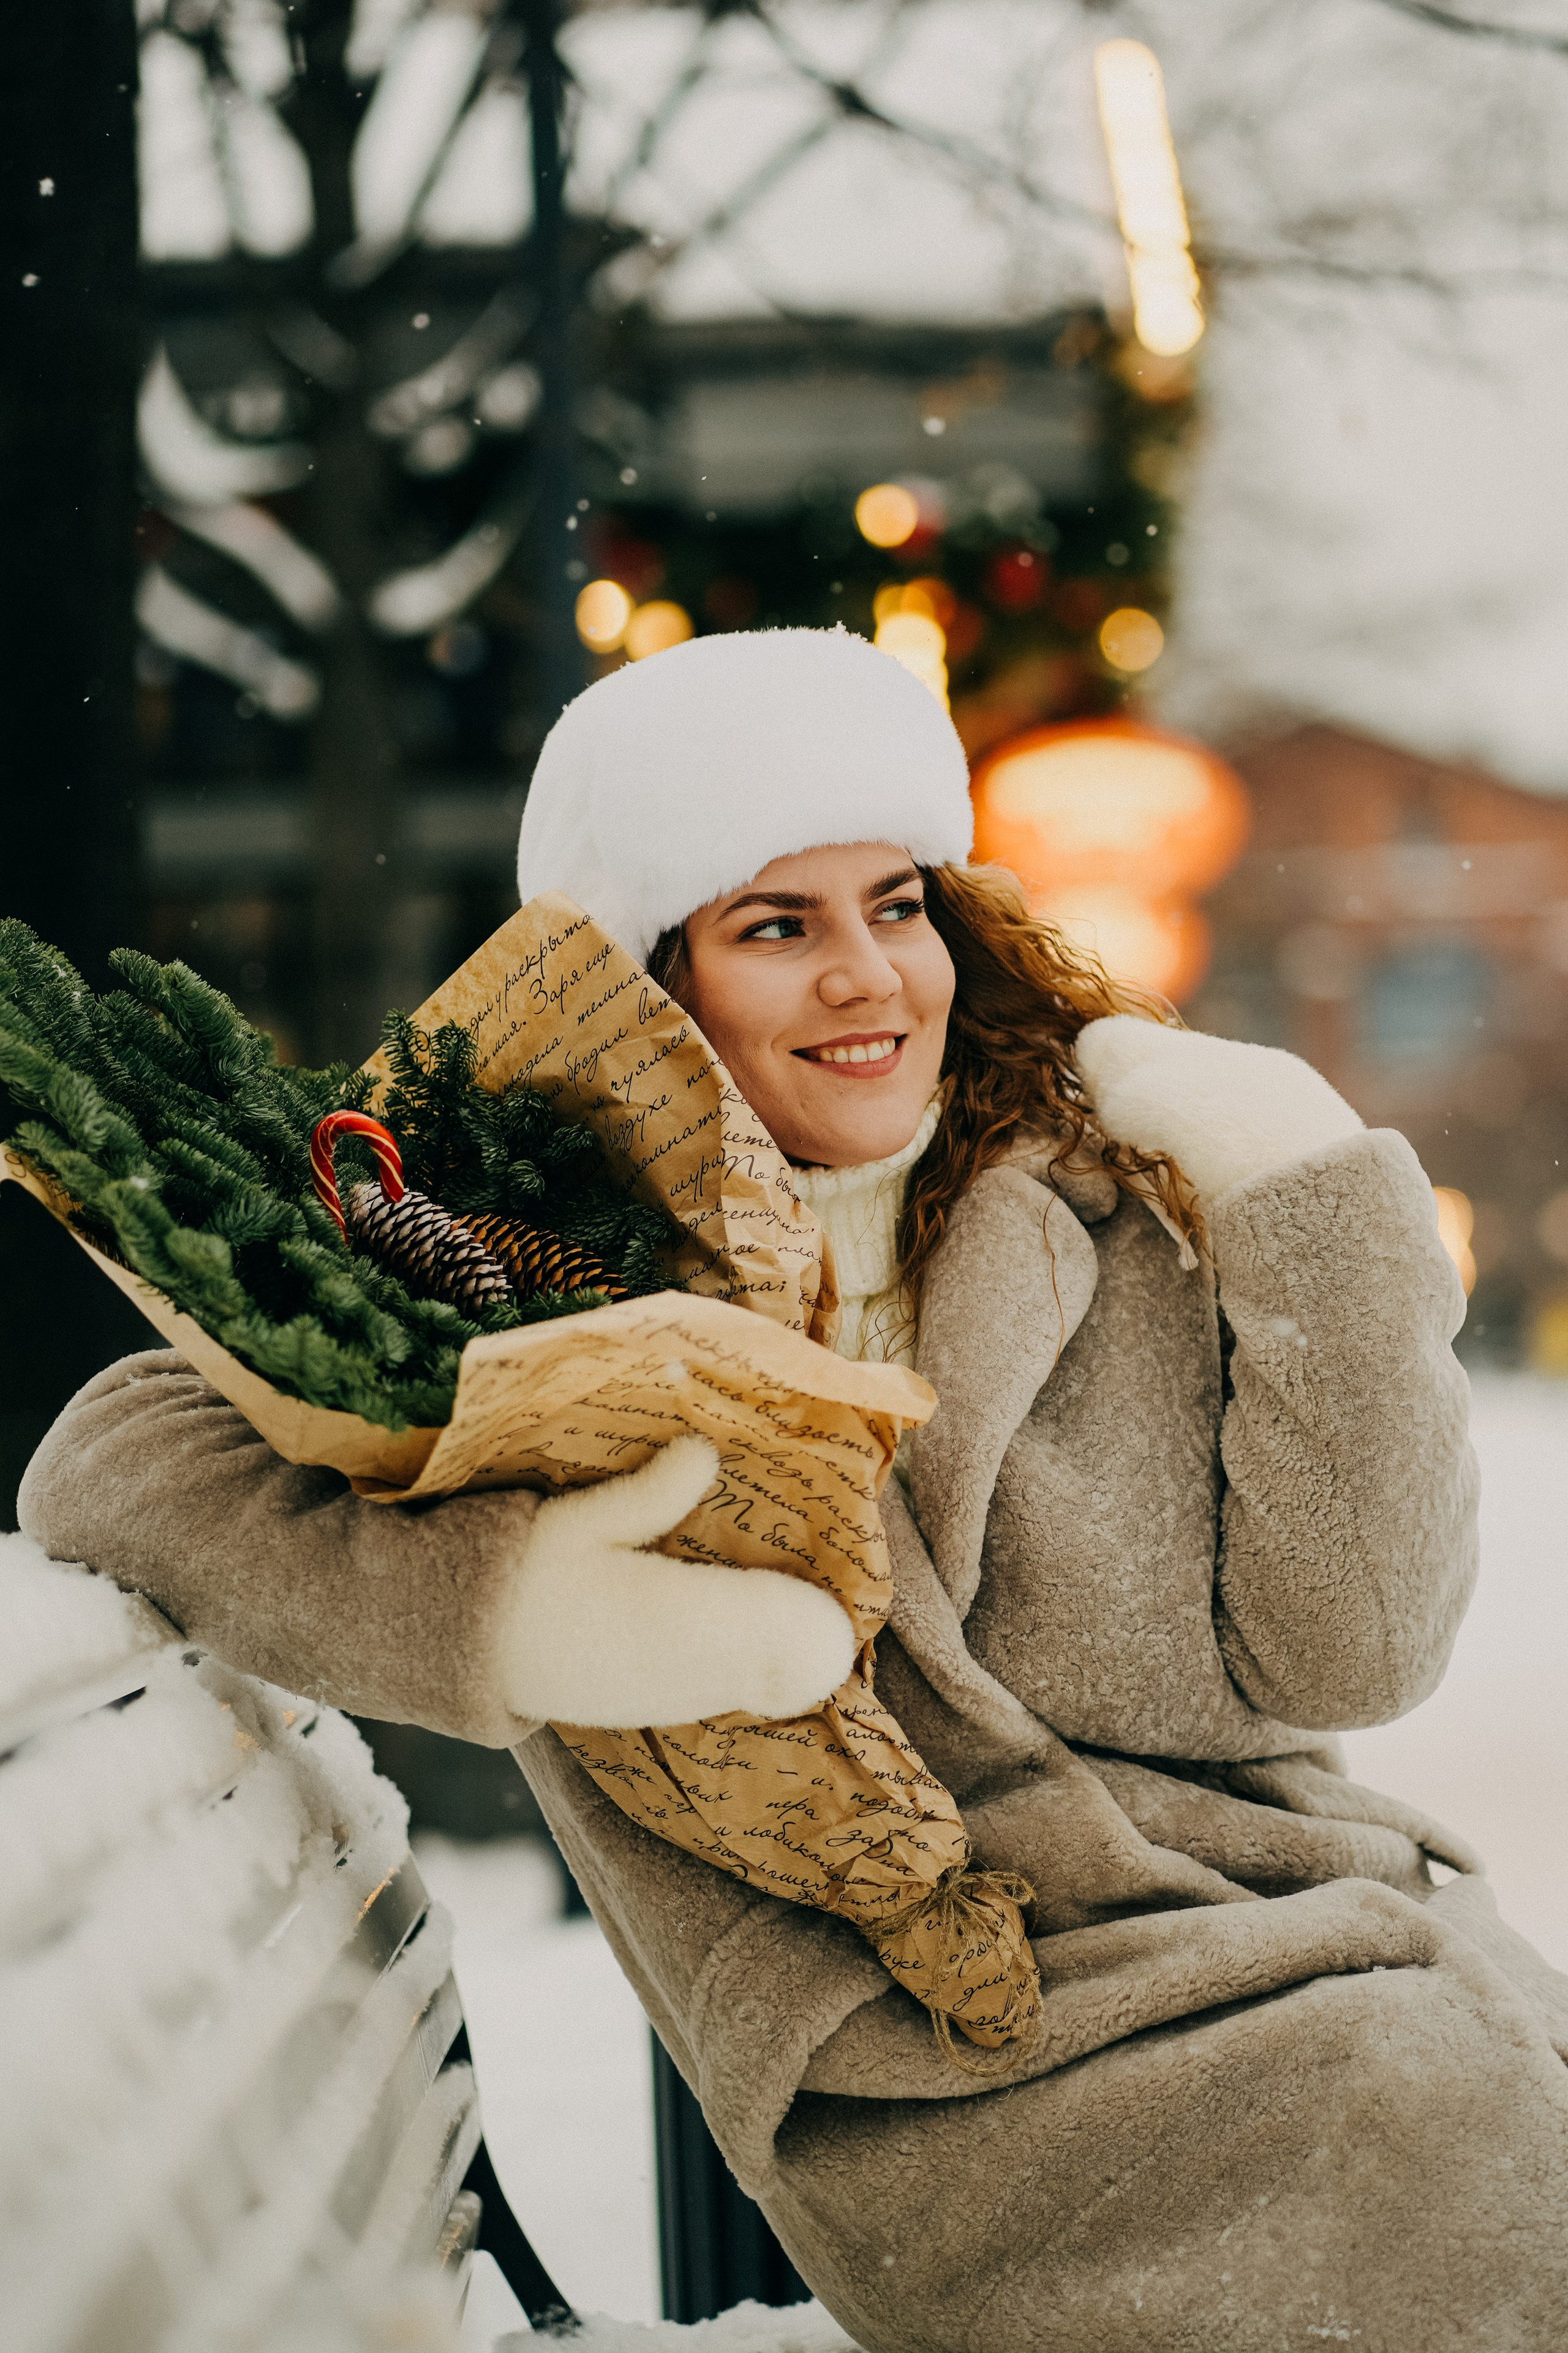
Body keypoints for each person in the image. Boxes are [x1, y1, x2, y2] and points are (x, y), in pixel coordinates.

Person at [21, 629, 1568, 2349]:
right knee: (1436, 2122)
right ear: (643, 976)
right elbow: (112, 1453)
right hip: (953, 2069)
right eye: (778, 925)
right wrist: (538, 1615)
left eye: (895, 905)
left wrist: (1304, 1190)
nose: (868, 977)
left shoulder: (1110, 1203)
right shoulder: (513, 1279)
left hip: (1328, 1952)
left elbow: (1353, 1650)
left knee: (1457, 2107)